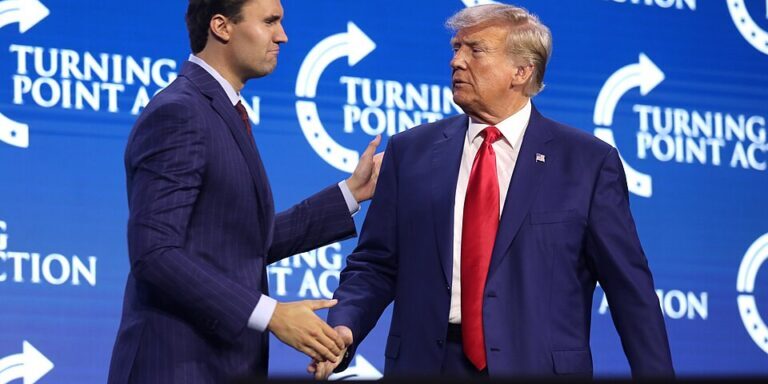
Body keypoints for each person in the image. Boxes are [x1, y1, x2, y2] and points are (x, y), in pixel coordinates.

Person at [311, 3, 674, 379]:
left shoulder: (587, 164)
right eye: (455, 49)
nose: (456, 62)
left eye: (475, 50)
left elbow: (629, 290)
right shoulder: (410, 152)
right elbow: (376, 264)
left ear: (522, 71)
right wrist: (344, 327)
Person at [107, 0, 382, 382]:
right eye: (270, 22)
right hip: (176, 366)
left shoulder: (221, 110)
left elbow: (242, 244)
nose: (282, 36)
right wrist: (271, 314)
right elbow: (154, 254)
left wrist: (352, 192)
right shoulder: (180, 112)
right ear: (222, 26)